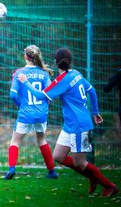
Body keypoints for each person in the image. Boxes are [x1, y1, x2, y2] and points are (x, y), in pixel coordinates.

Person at [17, 47, 118, 197]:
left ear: (56, 62)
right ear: (70, 61)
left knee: (80, 163)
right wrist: (95, 111)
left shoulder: (61, 81)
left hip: (80, 126)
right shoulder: (76, 74)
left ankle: (109, 186)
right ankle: (92, 176)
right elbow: (91, 90)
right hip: (70, 125)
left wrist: (25, 82)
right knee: (58, 156)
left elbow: (40, 96)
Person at [4, 45, 58, 180]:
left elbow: (12, 95)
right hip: (41, 113)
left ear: (25, 56)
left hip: (25, 113)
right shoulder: (44, 73)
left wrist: (20, 105)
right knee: (42, 140)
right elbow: (49, 95)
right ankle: (52, 171)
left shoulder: (19, 73)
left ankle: (11, 169)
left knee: (15, 142)